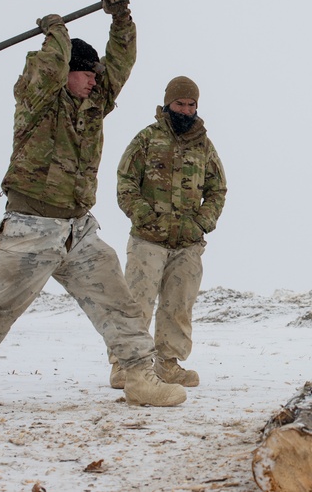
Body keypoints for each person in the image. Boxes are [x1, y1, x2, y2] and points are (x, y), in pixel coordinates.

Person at [0, 0, 187, 409]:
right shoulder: (37, 102)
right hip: (31, 227)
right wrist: (57, 34)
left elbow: (120, 63)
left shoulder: (93, 106)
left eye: (93, 75)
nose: (92, 80)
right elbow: (46, 69)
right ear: (65, 71)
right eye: (84, 73)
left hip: (77, 230)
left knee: (118, 301)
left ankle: (140, 374)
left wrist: (122, 18)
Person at [108, 76, 227, 390]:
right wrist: (145, 216)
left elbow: (218, 190)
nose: (185, 110)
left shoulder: (205, 147)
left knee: (179, 306)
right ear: (168, 104)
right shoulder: (147, 139)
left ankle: (168, 365)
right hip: (148, 240)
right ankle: (125, 365)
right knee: (136, 303)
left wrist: (202, 222)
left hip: (187, 244)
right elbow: (125, 183)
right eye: (180, 103)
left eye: (191, 105)